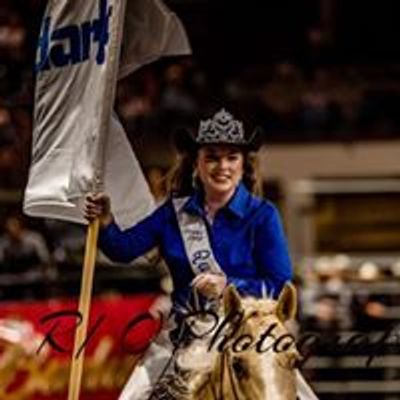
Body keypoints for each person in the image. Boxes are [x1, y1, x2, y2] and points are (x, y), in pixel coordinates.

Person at [85, 108, 316, 399]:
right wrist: (105, 222)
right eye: (212, 157)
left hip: (249, 334)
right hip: (185, 335)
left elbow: (280, 282)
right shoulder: (173, 212)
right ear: (197, 163)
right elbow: (123, 249)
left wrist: (228, 285)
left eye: (232, 157)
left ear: (243, 164)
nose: (223, 166)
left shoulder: (262, 215)